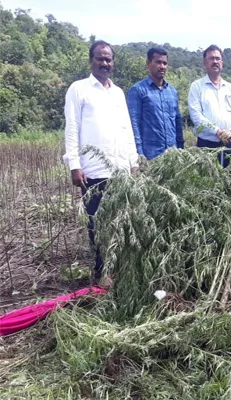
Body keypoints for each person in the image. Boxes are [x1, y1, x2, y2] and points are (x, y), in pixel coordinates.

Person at [62, 40, 139, 282]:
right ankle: (101, 273)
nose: (104, 63)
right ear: (91, 60)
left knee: (121, 222)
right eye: (100, 58)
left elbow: (126, 129)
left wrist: (133, 161)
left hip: (120, 170)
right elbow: (72, 129)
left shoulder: (117, 93)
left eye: (108, 59)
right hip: (93, 171)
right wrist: (74, 164)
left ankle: (119, 271)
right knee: (97, 223)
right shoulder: (79, 89)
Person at [188, 44, 231, 167]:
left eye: (218, 58)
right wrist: (217, 131)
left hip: (230, 144)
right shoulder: (197, 86)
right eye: (211, 58)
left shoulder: (230, 88)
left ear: (222, 62)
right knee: (207, 183)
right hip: (207, 145)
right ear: (205, 63)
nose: (215, 61)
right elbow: (196, 115)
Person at [127, 47, 184, 160]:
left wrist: (181, 149)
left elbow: (178, 121)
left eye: (164, 63)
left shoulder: (172, 91)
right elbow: (134, 125)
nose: (162, 66)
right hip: (150, 157)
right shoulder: (138, 90)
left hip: (173, 156)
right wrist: (139, 154)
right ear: (148, 64)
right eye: (158, 62)